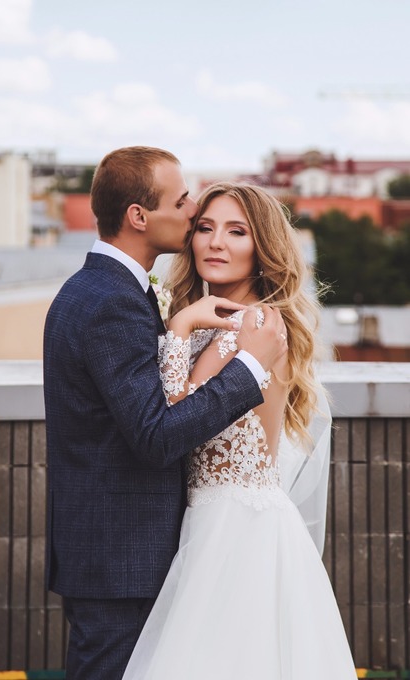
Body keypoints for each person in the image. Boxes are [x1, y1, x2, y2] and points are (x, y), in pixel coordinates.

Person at [43, 148, 287, 680]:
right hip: (121, 560)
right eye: (183, 203)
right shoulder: (111, 301)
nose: (192, 212)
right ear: (138, 216)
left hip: (158, 549)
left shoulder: (106, 291)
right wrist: (247, 368)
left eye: (235, 231)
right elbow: (156, 433)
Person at [122, 182, 357, 679]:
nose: (215, 243)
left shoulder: (257, 327)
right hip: (209, 520)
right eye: (205, 228)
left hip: (235, 529)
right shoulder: (218, 323)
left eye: (236, 232)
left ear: (261, 246)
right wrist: (187, 325)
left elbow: (175, 418)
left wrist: (178, 327)